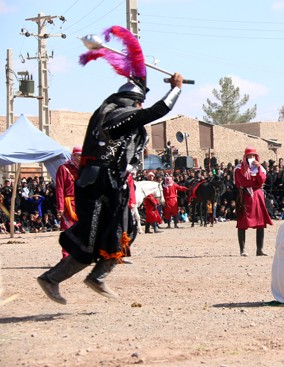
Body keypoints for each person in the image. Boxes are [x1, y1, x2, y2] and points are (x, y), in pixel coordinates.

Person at [36, 28, 185, 304]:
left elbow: (142, 105)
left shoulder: (119, 108)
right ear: (132, 101)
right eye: (139, 101)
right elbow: (157, 111)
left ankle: (98, 276)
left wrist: (142, 77)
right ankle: (51, 278)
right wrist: (175, 89)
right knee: (90, 241)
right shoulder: (116, 113)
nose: (141, 106)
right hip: (96, 184)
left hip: (111, 185)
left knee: (126, 231)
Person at [234, 146, 273, 256]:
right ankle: (242, 250)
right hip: (245, 196)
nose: (251, 157)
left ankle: (259, 249)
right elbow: (242, 182)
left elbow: (261, 180)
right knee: (242, 222)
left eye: (253, 155)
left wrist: (259, 168)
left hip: (257, 196)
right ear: (245, 157)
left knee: (260, 223)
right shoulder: (238, 169)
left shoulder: (260, 168)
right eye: (249, 156)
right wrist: (253, 181)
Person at [55, 146, 82, 259]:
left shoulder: (84, 169)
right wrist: (60, 207)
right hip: (68, 203)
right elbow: (60, 188)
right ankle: (66, 256)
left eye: (82, 156)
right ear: (74, 155)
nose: (80, 158)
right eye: (79, 156)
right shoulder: (63, 168)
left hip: (82, 202)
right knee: (68, 230)